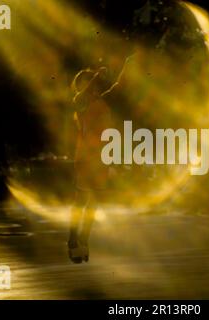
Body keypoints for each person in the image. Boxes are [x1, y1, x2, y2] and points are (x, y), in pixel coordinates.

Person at [67, 62, 127, 264]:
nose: (92, 84)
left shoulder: (103, 100)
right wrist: (95, 76)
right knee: (81, 200)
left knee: (93, 203)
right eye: (86, 81)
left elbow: (118, 86)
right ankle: (72, 240)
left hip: (101, 158)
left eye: (92, 80)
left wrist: (127, 65)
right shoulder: (80, 101)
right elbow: (84, 93)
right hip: (85, 158)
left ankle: (84, 239)